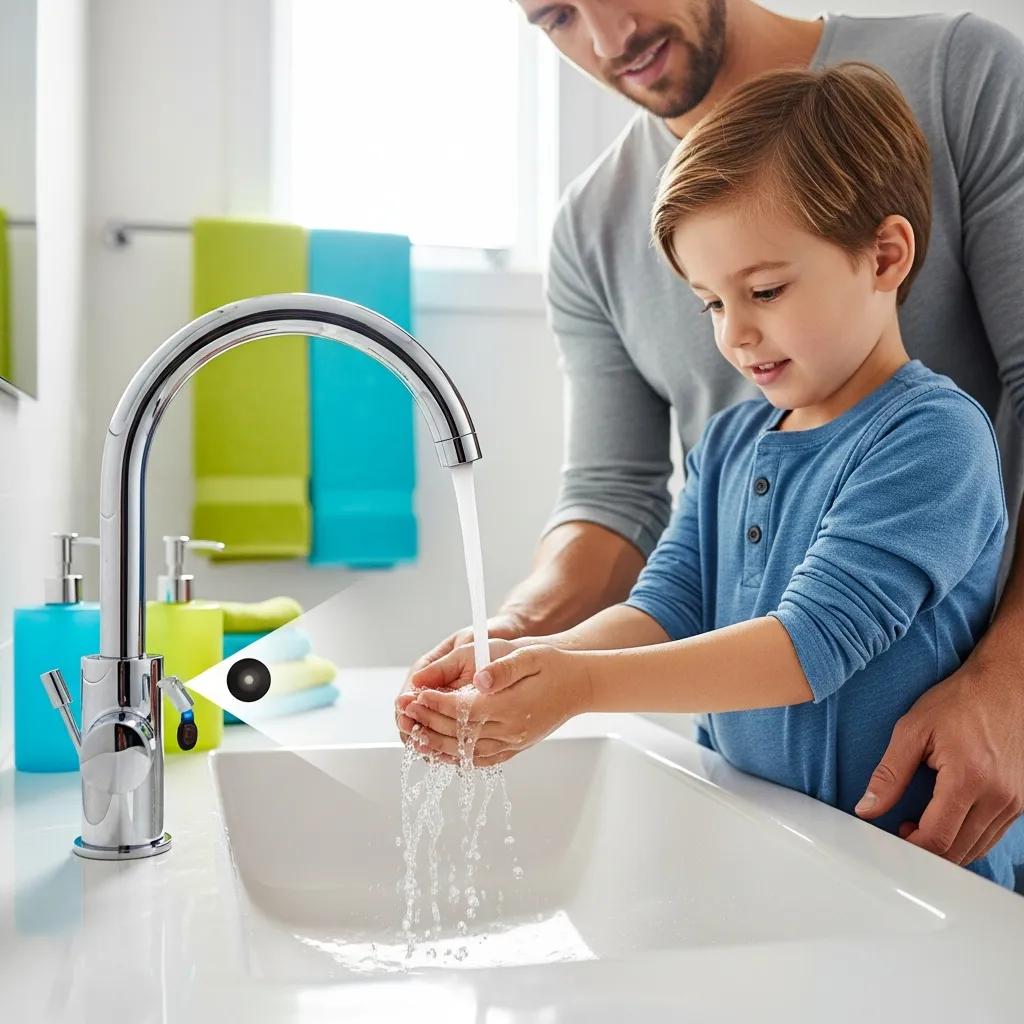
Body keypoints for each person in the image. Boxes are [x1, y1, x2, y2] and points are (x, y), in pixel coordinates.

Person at [397, 1, 1024, 874]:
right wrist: (528, 657)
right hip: (770, 848)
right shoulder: (731, 443)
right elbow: (666, 607)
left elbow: (812, 644)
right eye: (712, 304)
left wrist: (581, 689)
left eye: (764, 291)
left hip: (920, 868)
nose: (733, 336)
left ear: (885, 257)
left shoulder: (934, 438)